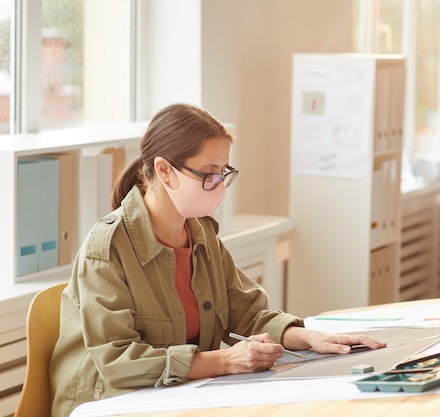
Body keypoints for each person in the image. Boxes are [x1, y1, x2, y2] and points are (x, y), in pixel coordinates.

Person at [49, 103, 386, 417]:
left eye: (224, 172)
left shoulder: (201, 234)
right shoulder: (107, 248)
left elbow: (248, 313)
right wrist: (225, 361)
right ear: (165, 171)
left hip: (176, 396)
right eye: (209, 174)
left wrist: (310, 338)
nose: (219, 185)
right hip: (107, 405)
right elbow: (118, 360)